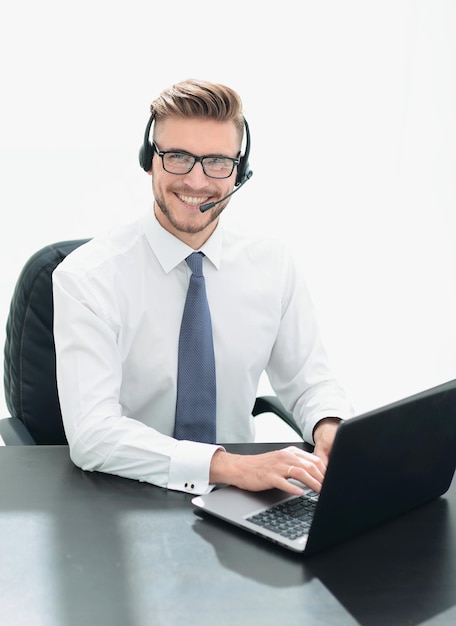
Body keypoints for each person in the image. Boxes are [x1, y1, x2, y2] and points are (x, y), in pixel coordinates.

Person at [52, 78, 353, 497]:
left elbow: (309, 380)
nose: (196, 181)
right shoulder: (87, 278)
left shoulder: (272, 264)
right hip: (126, 496)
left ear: (239, 172)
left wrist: (330, 426)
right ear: (148, 159)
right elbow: (93, 435)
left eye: (216, 162)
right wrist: (227, 466)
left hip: (241, 498)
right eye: (177, 156)